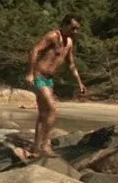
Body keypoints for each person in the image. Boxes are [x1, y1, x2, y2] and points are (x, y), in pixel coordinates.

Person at [25, 14, 87, 157]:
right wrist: (30, 73)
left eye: (77, 29)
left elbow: (71, 64)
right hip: (39, 76)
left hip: (49, 80)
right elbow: (35, 50)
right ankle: (45, 145)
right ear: (64, 25)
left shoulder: (70, 43)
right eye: (73, 28)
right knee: (52, 109)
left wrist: (79, 83)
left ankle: (35, 149)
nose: (75, 31)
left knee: (43, 114)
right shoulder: (53, 36)